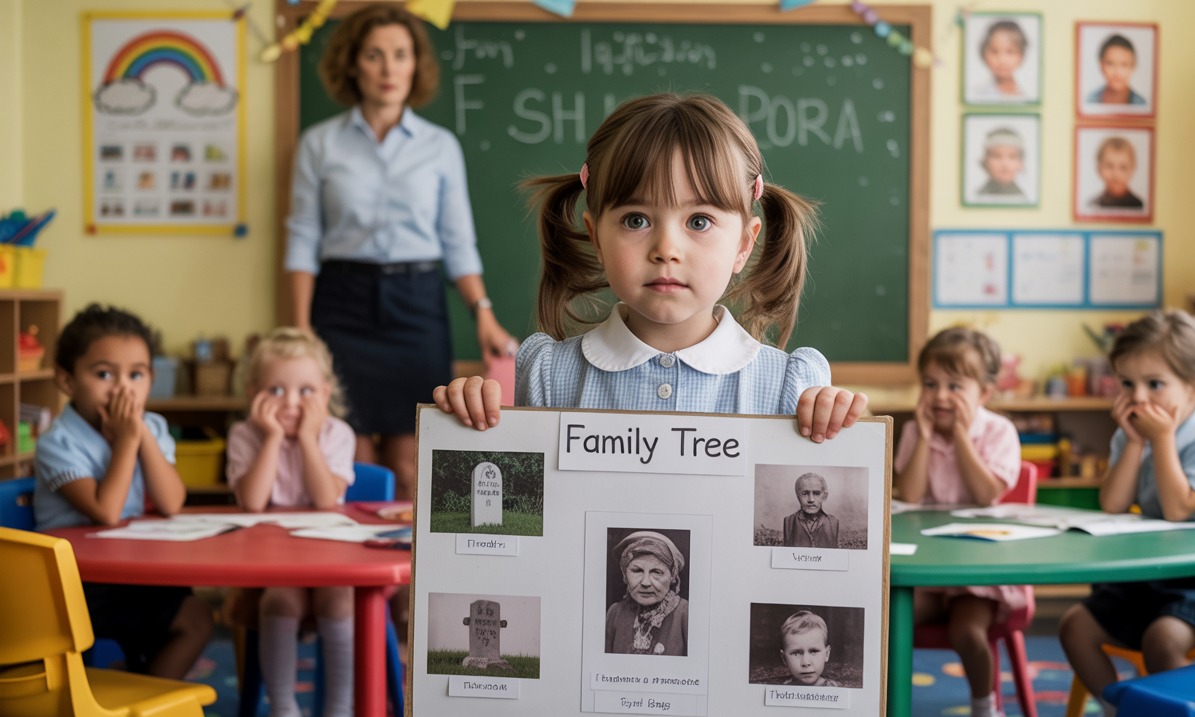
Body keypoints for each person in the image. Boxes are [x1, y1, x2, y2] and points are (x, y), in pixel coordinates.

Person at [431, 92, 867, 439]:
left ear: (743, 244)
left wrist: (838, 430)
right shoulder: (549, 375)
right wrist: (470, 424)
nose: (666, 249)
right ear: (597, 238)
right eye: (636, 220)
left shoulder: (790, 386)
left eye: (699, 221)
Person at [284, 4, 516, 504]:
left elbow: (458, 241)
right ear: (353, 64)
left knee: (411, 468)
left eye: (400, 54)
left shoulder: (440, 146)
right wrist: (300, 328)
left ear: (416, 65)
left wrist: (483, 313)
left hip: (416, 304)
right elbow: (302, 237)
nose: (388, 68)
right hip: (341, 304)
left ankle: (401, 562)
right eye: (374, 55)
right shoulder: (318, 145)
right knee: (351, 462)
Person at [1058, 310, 1195, 717]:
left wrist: (1161, 440)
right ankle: (1121, 712)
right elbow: (1113, 503)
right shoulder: (1133, 432)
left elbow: (1179, 508)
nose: (1139, 398)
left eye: (1155, 384)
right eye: (1127, 384)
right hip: (1155, 574)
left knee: (1162, 640)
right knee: (1074, 627)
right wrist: (1133, 444)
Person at [33, 304, 213, 679]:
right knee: (191, 620)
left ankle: (137, 690)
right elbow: (106, 511)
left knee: (194, 613)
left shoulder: (152, 427)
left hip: (129, 570)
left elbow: (171, 502)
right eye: (104, 374)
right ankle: (137, 696)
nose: (123, 388)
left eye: (136, 374)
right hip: (75, 584)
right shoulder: (58, 443)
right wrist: (128, 442)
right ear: (67, 381)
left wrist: (141, 435)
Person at [227, 327, 357, 717]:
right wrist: (272, 438)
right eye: (276, 390)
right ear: (254, 394)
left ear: (325, 393)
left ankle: (339, 715)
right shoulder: (245, 435)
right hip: (275, 565)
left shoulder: (336, 434)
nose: (291, 402)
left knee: (339, 602)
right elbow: (252, 503)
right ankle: (284, 714)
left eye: (305, 391)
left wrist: (305, 438)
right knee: (279, 602)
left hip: (329, 562)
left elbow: (325, 500)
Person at [893, 326, 1022, 717]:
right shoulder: (915, 430)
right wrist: (924, 436)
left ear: (984, 393)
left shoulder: (999, 432)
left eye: (954, 386)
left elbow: (986, 494)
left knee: (966, 631)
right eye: (930, 384)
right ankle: (884, 707)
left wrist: (962, 436)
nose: (940, 397)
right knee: (891, 617)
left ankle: (985, 709)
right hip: (929, 568)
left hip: (976, 572)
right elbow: (910, 494)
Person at [605, 531, 689, 656]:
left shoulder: (685, 614)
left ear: (672, 576)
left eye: (656, 572)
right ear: (625, 575)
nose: (645, 582)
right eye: (637, 571)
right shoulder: (615, 613)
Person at [778, 610, 842, 687]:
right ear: (784, 658)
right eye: (796, 653)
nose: (806, 662)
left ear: (827, 654)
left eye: (813, 651)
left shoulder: (834, 689)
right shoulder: (781, 688)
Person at [973, 20, 1028, 101]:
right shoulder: (978, 95)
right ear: (984, 54)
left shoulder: (1027, 92)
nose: (1002, 60)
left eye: (1010, 52)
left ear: (1021, 55)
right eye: (994, 52)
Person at [782, 472, 840, 548]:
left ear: (824, 496)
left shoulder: (833, 522)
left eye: (816, 493)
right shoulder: (789, 521)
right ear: (798, 496)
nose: (811, 499)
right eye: (804, 493)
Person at [1087, 34, 1146, 106]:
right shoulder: (1089, 101)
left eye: (1124, 65)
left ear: (1133, 65)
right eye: (1110, 64)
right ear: (1101, 65)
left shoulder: (1142, 104)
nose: (1117, 73)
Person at [1089, 136, 1144, 210]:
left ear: (1132, 169)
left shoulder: (1139, 205)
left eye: (1123, 167)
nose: (1115, 174)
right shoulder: (1092, 205)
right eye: (1109, 166)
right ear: (1099, 168)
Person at [976, 127, 1026, 199]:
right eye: (997, 156)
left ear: (1021, 163)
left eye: (1012, 157)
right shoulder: (977, 197)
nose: (1005, 164)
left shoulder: (1023, 198)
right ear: (984, 162)